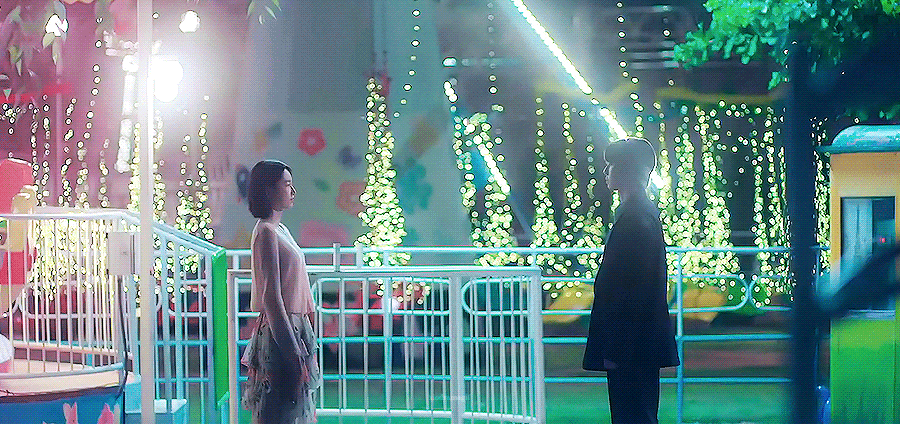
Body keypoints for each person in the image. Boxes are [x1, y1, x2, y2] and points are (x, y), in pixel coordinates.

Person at [583, 137, 679, 424]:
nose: (606, 171)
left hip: (629, 340)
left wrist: (616, 344)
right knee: (637, 411)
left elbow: (628, 288)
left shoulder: (634, 218)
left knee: (631, 412)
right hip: (636, 339)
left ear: (626, 171)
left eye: (611, 165)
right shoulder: (640, 214)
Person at [241, 159, 320, 424]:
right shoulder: (266, 232)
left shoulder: (279, 230)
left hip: (294, 327)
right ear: (268, 190)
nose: (292, 191)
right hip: (282, 331)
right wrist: (293, 352)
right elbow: (272, 298)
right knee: (279, 409)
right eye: (286, 185)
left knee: (290, 407)